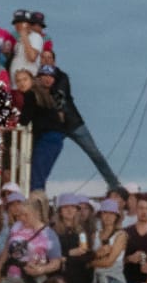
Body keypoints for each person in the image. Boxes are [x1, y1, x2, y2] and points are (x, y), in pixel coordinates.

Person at [45, 58, 123, 191]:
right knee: (46, 155)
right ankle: (37, 185)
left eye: (49, 58)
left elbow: (61, 95)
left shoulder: (62, 77)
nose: (46, 61)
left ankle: (114, 184)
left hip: (73, 123)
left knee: (94, 153)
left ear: (54, 61)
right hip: (56, 127)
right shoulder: (39, 81)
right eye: (44, 58)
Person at [16, 66, 66, 192]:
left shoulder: (30, 94)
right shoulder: (41, 94)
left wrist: (12, 121)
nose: (22, 83)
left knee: (36, 177)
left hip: (47, 138)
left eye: (24, 79)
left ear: (32, 80)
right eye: (18, 81)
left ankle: (35, 205)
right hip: (55, 138)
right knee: (39, 176)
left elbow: (24, 119)